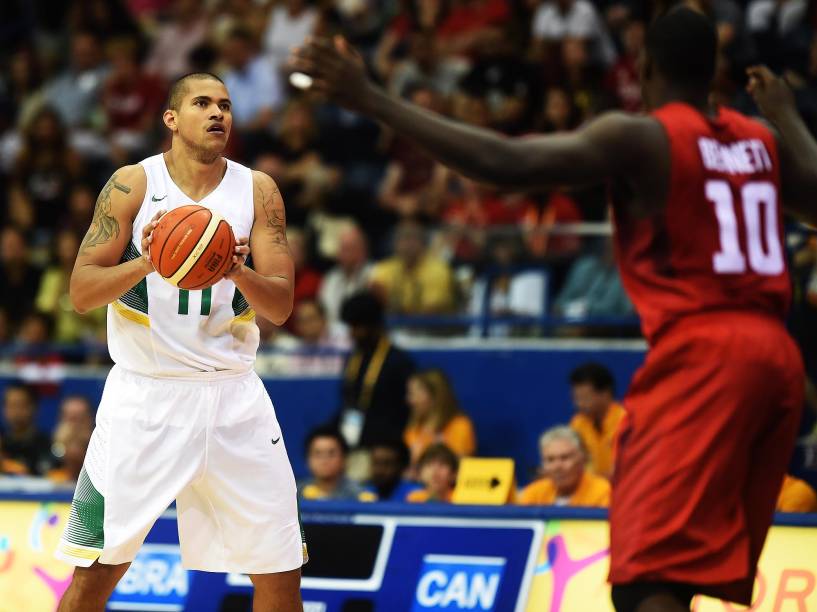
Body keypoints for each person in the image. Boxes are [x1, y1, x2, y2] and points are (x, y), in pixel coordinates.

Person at [292, 8, 815, 609]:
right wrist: (787, 120)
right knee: (697, 569)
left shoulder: (642, 134)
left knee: (648, 578)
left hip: (705, 353)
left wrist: (374, 99)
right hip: (777, 358)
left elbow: (505, 165)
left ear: (644, 67)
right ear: (715, 70)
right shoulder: (761, 141)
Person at [56, 72, 304, 612]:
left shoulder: (258, 189)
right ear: (171, 118)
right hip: (145, 398)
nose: (219, 113)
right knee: (96, 572)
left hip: (235, 397)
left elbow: (281, 306)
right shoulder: (132, 184)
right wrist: (147, 260)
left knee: (280, 572)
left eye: (226, 104)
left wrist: (238, 270)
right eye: (203, 103)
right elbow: (79, 292)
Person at [337, 291, 415, 451]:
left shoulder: (398, 361)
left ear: (373, 325)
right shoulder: (353, 358)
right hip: (353, 440)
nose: (352, 333)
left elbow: (405, 412)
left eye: (356, 326)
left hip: (385, 446)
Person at [517, 426, 610, 507]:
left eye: (565, 458)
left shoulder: (602, 493)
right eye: (550, 460)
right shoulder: (534, 493)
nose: (557, 467)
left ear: (582, 459)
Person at [403, 369, 477, 470]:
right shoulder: (413, 429)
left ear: (435, 396)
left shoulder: (459, 425)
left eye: (415, 394)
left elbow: (460, 467)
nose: (410, 400)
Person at [568, 363, 626, 479]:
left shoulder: (626, 421)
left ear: (606, 393)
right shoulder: (577, 423)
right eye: (576, 398)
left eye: (585, 398)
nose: (579, 404)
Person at [297, 426, 376, 501]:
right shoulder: (295, 493)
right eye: (318, 454)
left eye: (331, 453)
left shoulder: (359, 496)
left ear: (344, 459)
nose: (324, 460)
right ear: (307, 459)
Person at [2, 383, 53, 475]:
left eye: (21, 405)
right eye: (11, 406)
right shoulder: (2, 442)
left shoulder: (47, 444)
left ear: (34, 408)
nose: (16, 412)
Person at [364, 437, 422, 501]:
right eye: (375, 463)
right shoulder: (365, 494)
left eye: (387, 464)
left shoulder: (416, 495)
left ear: (402, 467)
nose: (379, 470)